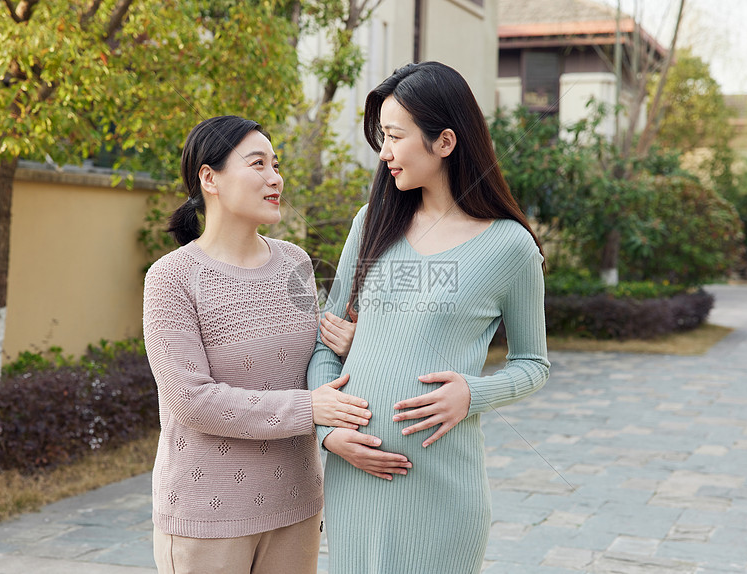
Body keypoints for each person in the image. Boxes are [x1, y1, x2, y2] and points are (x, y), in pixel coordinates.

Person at [307, 61, 551, 573]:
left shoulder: (510, 247)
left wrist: (472, 392)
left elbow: (533, 363)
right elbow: (325, 344)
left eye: (395, 136)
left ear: (444, 141)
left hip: (443, 492)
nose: (385, 153)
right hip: (356, 483)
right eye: (381, 137)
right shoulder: (373, 221)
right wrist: (330, 434)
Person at [142, 115, 371, 574]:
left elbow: (321, 355)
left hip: (297, 505)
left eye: (277, 164)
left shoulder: (295, 262)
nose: (275, 177)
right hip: (207, 515)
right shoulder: (172, 278)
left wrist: (351, 344)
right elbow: (193, 401)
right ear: (210, 178)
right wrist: (309, 409)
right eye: (258, 164)